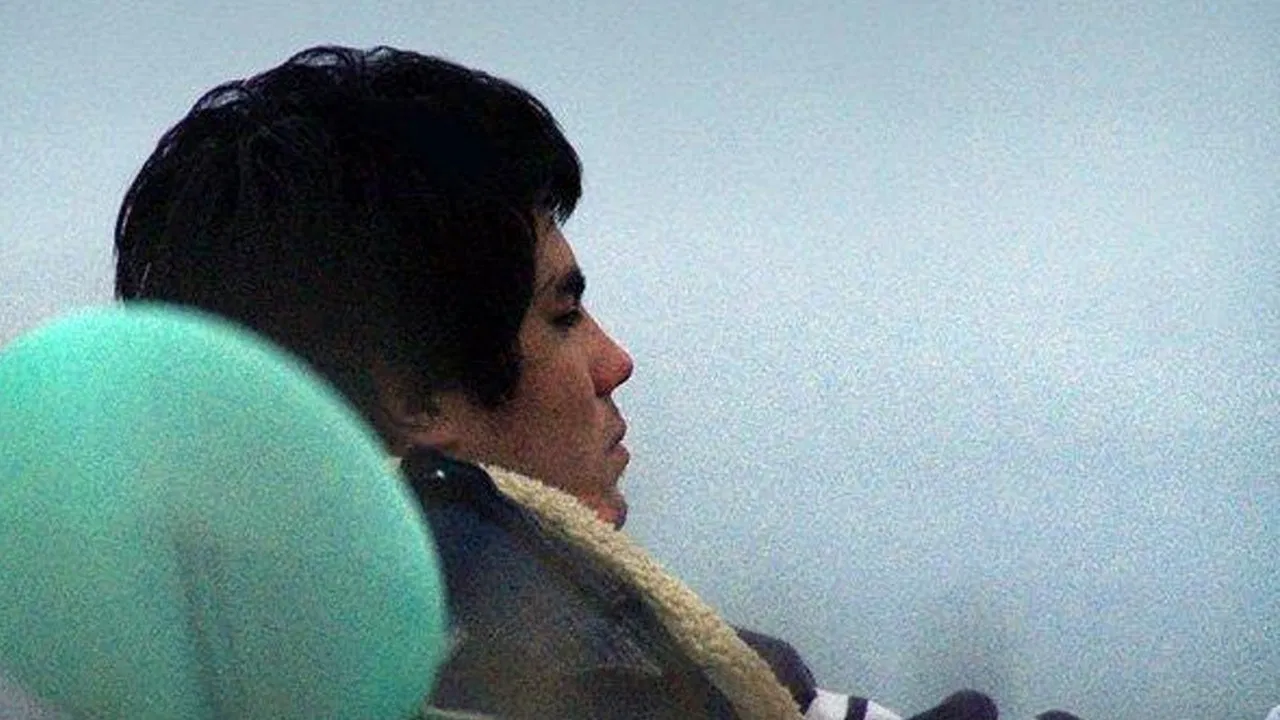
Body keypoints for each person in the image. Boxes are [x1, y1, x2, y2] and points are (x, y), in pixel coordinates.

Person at [114, 44, 1000, 720]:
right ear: (414, 395)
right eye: (563, 315)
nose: (615, 363)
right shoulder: (610, 684)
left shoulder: (191, 669)